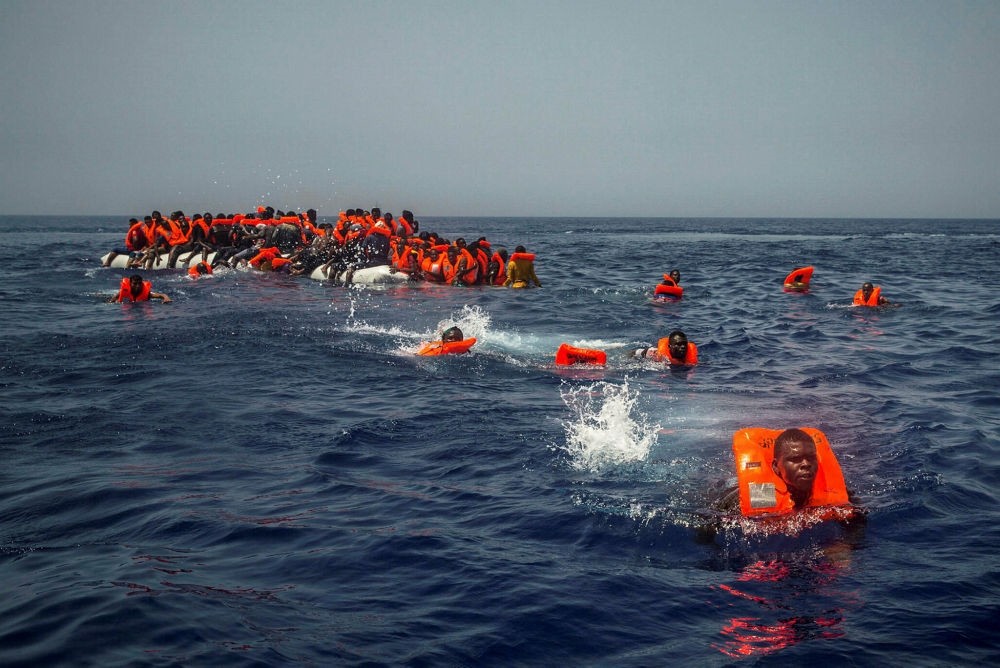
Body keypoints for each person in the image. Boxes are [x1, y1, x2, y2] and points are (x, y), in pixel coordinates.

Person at [714, 427, 861, 518]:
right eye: (795, 459)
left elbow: (857, 521)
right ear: (776, 466)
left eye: (811, 458)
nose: (806, 464)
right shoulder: (757, 495)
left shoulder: (837, 493)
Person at [630, 330, 698, 366]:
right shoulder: (657, 355)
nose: (683, 347)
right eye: (678, 344)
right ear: (669, 347)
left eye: (684, 344)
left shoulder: (690, 354)